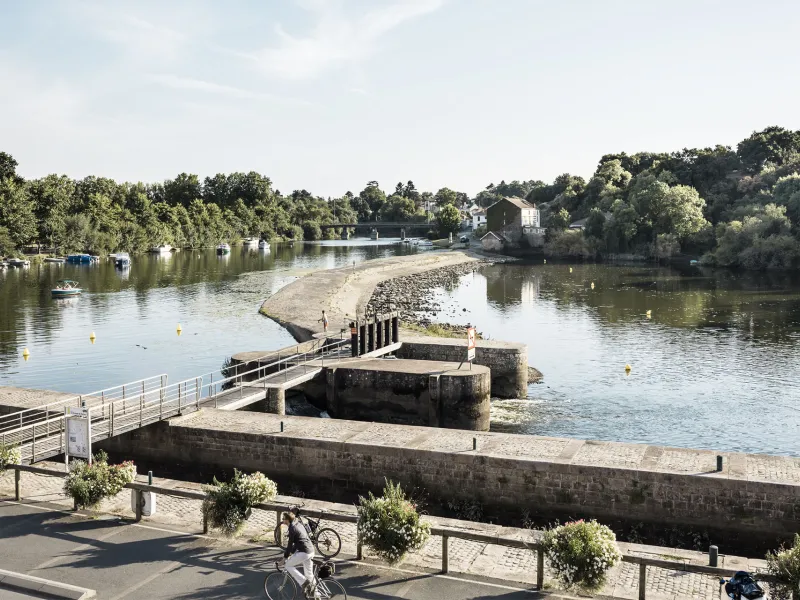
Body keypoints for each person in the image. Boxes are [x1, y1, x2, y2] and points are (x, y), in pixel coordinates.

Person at [280, 509, 316, 598]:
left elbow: (289, 545)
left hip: (304, 552)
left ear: (287, 520)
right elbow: (297, 542)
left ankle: (304, 582)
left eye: (283, 518)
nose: (282, 520)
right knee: (309, 574)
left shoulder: (292, 528)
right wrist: (290, 554)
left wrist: (284, 558)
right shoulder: (298, 523)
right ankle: (315, 594)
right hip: (311, 550)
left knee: (288, 565)